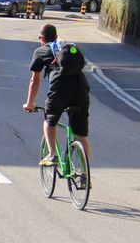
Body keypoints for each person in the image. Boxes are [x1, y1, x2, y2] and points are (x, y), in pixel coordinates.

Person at [23, 23, 91, 168]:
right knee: (81, 135)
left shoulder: (40, 51)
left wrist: (30, 103)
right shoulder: (67, 48)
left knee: (49, 121)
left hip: (60, 90)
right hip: (81, 89)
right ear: (56, 36)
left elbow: (35, 80)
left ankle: (52, 154)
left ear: (42, 38)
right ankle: (86, 175)